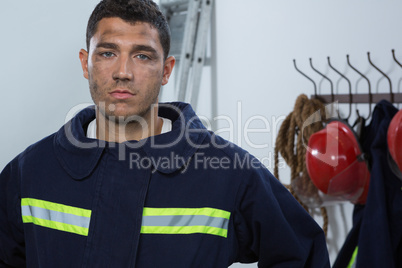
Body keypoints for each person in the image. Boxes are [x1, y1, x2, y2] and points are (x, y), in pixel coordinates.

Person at [0, 0, 330, 267]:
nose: (123, 72)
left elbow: (301, 254)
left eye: (142, 55)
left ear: (166, 70)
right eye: (108, 53)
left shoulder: (228, 173)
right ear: (86, 63)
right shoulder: (30, 173)